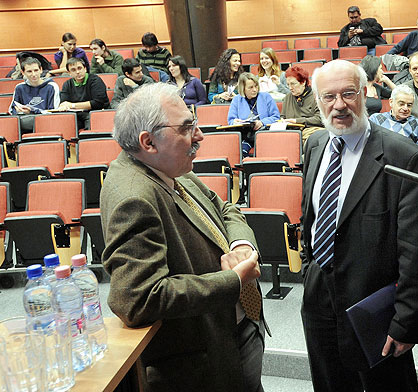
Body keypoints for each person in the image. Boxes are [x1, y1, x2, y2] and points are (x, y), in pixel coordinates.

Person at [101, 82, 266, 392]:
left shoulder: (170, 167)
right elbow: (137, 298)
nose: (200, 136)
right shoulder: (133, 197)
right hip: (203, 363)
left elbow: (225, 208)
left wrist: (240, 243)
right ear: (148, 142)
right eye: (187, 128)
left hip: (237, 331)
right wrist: (232, 280)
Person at [300, 59, 418, 392]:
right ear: (317, 102)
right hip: (319, 297)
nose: (339, 105)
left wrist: (407, 321)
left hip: (374, 306)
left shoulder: (404, 156)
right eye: (328, 97)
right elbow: (313, 217)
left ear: (365, 93)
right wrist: (308, 270)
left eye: (348, 94)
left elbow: (416, 252)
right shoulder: (315, 146)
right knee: (329, 384)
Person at [369, 84, 418, 156]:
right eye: (401, 104)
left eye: (409, 105)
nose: (405, 108)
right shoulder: (376, 120)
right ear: (391, 102)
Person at [227, 73, 280, 156]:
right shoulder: (236, 100)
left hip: (264, 133)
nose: (255, 89)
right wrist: (235, 121)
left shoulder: (266, 97)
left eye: (256, 86)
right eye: (251, 87)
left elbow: (276, 117)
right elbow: (231, 120)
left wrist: (262, 122)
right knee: (240, 152)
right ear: (243, 88)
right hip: (246, 134)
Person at [9, 57, 60, 133]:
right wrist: (19, 111)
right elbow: (12, 109)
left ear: (41, 70)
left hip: (46, 122)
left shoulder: (52, 86)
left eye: (36, 70)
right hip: (24, 122)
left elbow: (54, 112)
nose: (33, 74)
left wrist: (33, 111)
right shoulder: (19, 87)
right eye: (29, 71)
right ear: (23, 73)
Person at [58, 57, 109, 129]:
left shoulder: (95, 80)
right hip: (77, 115)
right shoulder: (67, 84)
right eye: (73, 70)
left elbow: (97, 103)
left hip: (94, 113)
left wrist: (72, 105)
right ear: (69, 73)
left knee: (90, 123)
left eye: (79, 68)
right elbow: (64, 103)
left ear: (85, 69)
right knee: (65, 123)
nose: (77, 72)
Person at [280, 65, 323, 143]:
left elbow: (320, 119)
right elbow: (283, 117)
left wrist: (296, 121)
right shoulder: (288, 98)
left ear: (303, 82)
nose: (290, 88)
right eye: (288, 84)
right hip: (292, 132)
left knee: (306, 139)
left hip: (311, 130)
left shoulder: (316, 96)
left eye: (293, 84)